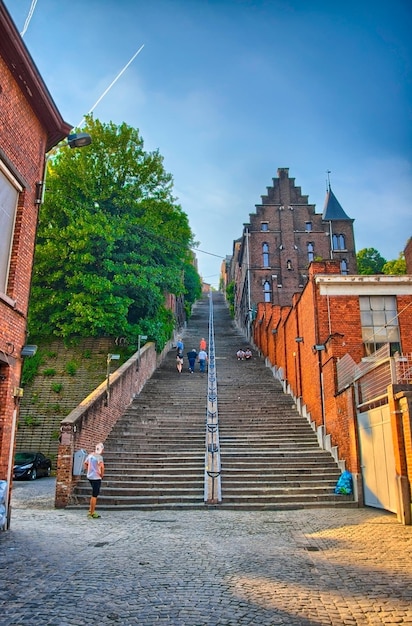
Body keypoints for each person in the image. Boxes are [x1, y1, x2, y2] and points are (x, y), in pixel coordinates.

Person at [84, 443, 105, 519]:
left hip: (90, 476)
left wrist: (88, 471)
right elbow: (102, 467)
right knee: (94, 495)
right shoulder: (99, 457)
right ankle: (91, 513)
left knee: (94, 494)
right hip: (96, 477)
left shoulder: (90, 455)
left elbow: (85, 463)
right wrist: (101, 475)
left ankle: (91, 510)